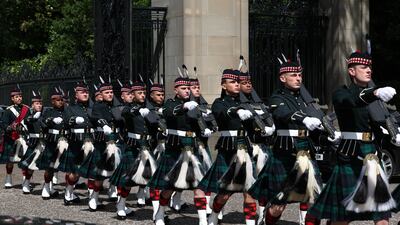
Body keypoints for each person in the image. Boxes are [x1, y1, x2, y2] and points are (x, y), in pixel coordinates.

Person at [307, 50, 397, 225]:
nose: (368, 70)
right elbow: (353, 101)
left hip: (372, 156)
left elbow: (379, 124)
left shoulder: (375, 97)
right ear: (352, 71)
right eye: (363, 67)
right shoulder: (342, 93)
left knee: (382, 218)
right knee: (342, 218)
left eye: (369, 66)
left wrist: (393, 135)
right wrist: (375, 93)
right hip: (350, 155)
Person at [148, 72, 211, 225]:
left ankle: (203, 220)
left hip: (192, 149)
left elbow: (203, 122)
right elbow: (171, 112)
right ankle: (160, 214)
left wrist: (207, 127)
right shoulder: (170, 103)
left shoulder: (195, 105)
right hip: (175, 150)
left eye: (188, 88)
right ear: (175, 90)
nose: (187, 90)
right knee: (169, 188)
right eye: (183, 88)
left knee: (199, 187)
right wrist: (183, 107)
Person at [198, 69, 258, 225]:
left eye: (238, 82)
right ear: (224, 85)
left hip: (245, 148)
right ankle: (214, 214)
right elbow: (222, 113)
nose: (237, 85)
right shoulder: (219, 103)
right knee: (224, 194)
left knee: (249, 191)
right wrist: (236, 111)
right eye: (233, 82)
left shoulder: (247, 103)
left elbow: (253, 129)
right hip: (228, 150)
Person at [58, 81, 93, 205]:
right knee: (75, 173)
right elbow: (67, 122)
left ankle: (93, 197)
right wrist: (73, 120)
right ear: (76, 95)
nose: (85, 94)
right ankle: (68, 193)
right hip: (77, 143)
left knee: (94, 170)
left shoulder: (92, 108)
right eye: (82, 92)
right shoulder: (70, 108)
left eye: (86, 92)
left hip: (92, 141)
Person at [36, 88, 66, 199]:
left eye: (62, 99)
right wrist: (50, 120)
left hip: (65, 141)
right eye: (58, 100)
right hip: (52, 142)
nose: (60, 102)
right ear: (52, 101)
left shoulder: (67, 111)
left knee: (69, 168)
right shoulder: (48, 111)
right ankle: (46, 186)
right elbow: (42, 123)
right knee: (50, 167)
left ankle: (69, 191)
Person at [0, 86, 30, 189]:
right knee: (10, 160)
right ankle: (8, 178)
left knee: (25, 159)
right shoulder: (8, 111)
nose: (19, 98)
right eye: (16, 97)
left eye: (20, 96)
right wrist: (9, 128)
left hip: (24, 137)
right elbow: (3, 124)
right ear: (12, 98)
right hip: (12, 137)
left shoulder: (27, 109)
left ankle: (25, 180)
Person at [17, 90, 44, 194]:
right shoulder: (30, 113)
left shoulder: (44, 113)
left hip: (44, 141)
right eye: (37, 103)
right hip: (33, 142)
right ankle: (26, 183)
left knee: (49, 166)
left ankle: (49, 187)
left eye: (40, 103)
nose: (39, 105)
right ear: (32, 105)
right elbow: (27, 121)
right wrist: (33, 118)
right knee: (30, 165)